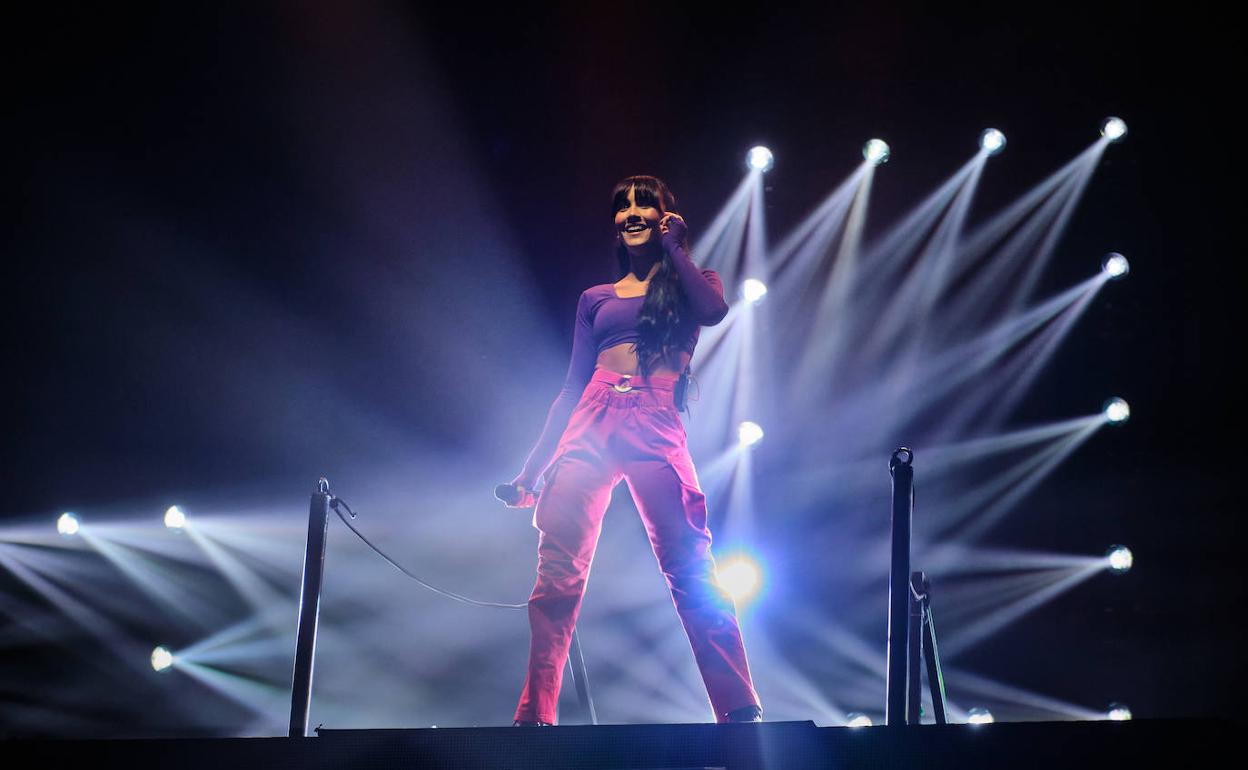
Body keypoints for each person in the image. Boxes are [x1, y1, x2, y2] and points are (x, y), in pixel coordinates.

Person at [504, 175, 762, 726]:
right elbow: (571, 388)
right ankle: (534, 717)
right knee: (556, 574)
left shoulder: (695, 284)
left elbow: (713, 311)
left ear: (668, 216)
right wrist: (532, 470)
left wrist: (675, 247)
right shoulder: (594, 298)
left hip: (655, 421)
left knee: (690, 565)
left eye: (645, 203)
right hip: (591, 422)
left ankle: (738, 707)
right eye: (623, 205)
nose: (633, 212)